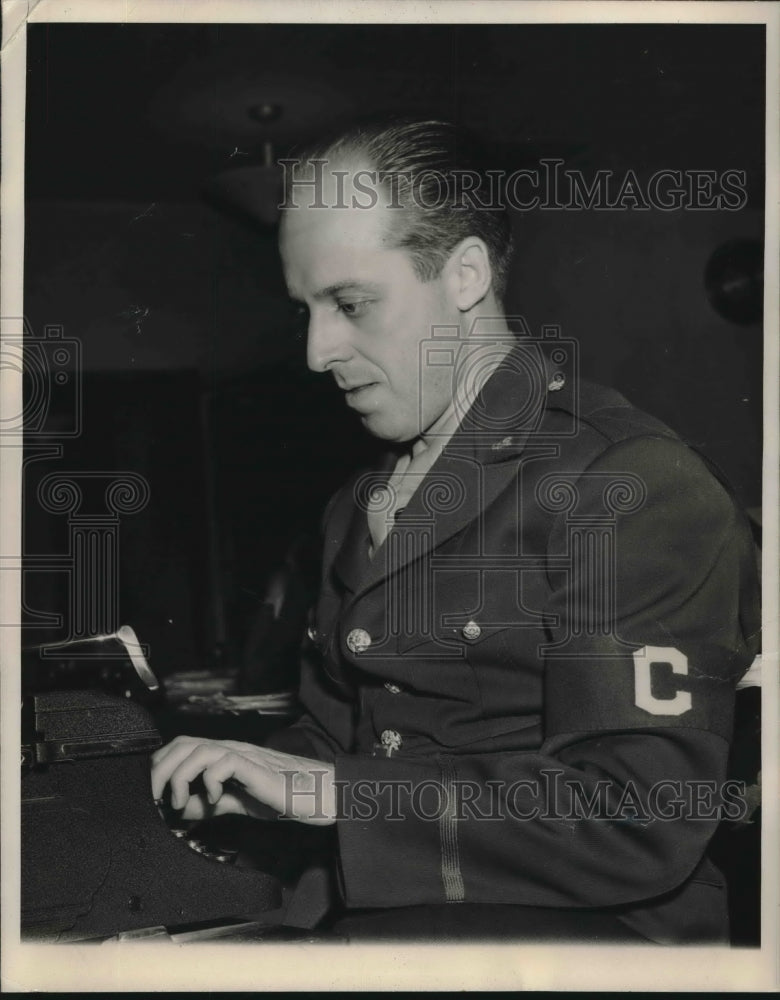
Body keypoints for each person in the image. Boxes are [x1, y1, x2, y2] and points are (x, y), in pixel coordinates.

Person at [151, 119, 760, 944]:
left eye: (352, 304)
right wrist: (232, 782)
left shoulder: (626, 482)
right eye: (306, 309)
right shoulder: (360, 500)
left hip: (588, 939)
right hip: (377, 911)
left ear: (466, 274)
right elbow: (337, 736)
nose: (317, 351)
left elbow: (636, 816)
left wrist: (340, 795)